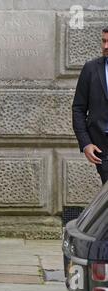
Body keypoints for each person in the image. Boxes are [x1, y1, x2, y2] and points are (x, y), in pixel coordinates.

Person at [72, 27, 108, 184]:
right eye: (104, 41)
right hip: (103, 147)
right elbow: (78, 109)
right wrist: (85, 143)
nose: (105, 46)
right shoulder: (91, 69)